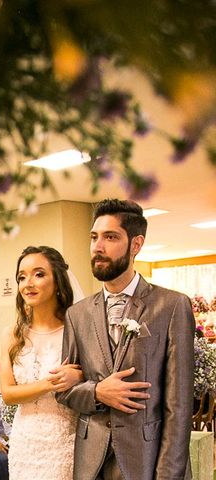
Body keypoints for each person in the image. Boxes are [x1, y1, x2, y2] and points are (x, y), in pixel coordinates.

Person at [56, 199, 194, 479]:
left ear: (136, 244)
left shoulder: (172, 306)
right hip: (91, 462)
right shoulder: (77, 315)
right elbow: (65, 390)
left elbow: (178, 407)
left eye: (111, 237)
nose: (98, 246)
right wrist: (96, 392)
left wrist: (167, 474)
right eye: (94, 237)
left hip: (146, 460)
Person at [0, 246, 83, 479]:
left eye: (39, 274)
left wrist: (80, 376)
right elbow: (8, 393)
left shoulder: (75, 331)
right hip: (24, 440)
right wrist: (49, 384)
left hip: (63, 439)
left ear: (57, 281)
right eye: (22, 277)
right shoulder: (12, 334)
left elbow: (95, 377)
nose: (28, 283)